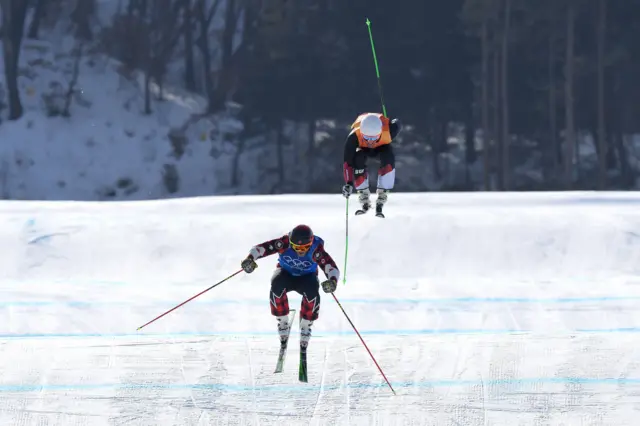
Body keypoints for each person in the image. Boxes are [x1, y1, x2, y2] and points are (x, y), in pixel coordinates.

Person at [240, 224, 339, 353]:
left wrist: (332, 281)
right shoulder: (284, 243)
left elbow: (330, 266)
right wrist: (250, 259)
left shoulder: (316, 250)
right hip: (285, 273)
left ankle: (306, 325)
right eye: (297, 247)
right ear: (291, 243)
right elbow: (261, 248)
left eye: (305, 247)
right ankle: (282, 321)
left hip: (307, 276)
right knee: (276, 285)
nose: (301, 250)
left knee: (313, 292)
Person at [342, 112, 402, 217]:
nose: (370, 142)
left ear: (379, 133)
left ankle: (382, 196)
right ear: (361, 133)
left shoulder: (390, 131)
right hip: (363, 148)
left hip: (382, 146)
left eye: (373, 138)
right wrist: (348, 183)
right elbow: (347, 163)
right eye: (367, 138)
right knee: (357, 158)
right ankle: (364, 197)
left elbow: (397, 123)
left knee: (388, 157)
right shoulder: (353, 137)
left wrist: (390, 122)